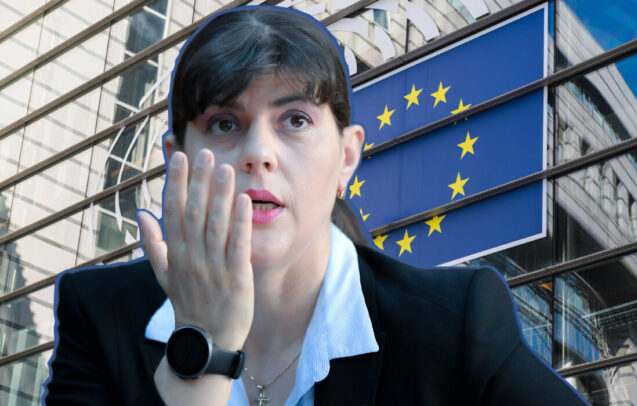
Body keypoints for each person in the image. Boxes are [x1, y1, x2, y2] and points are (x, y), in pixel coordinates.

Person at [43, 5, 589, 406]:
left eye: (296, 120)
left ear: (347, 158)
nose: (259, 153)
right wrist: (200, 347)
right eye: (225, 124)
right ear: (176, 158)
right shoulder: (99, 314)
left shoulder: (455, 323)